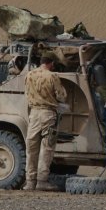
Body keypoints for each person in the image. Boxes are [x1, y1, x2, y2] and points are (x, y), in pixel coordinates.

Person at [23, 51, 67, 191]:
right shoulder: (52, 76)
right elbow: (62, 96)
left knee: (31, 149)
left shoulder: (29, 74)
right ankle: (42, 181)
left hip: (33, 114)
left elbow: (27, 94)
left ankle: (30, 181)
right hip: (48, 114)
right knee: (47, 148)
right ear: (51, 63)